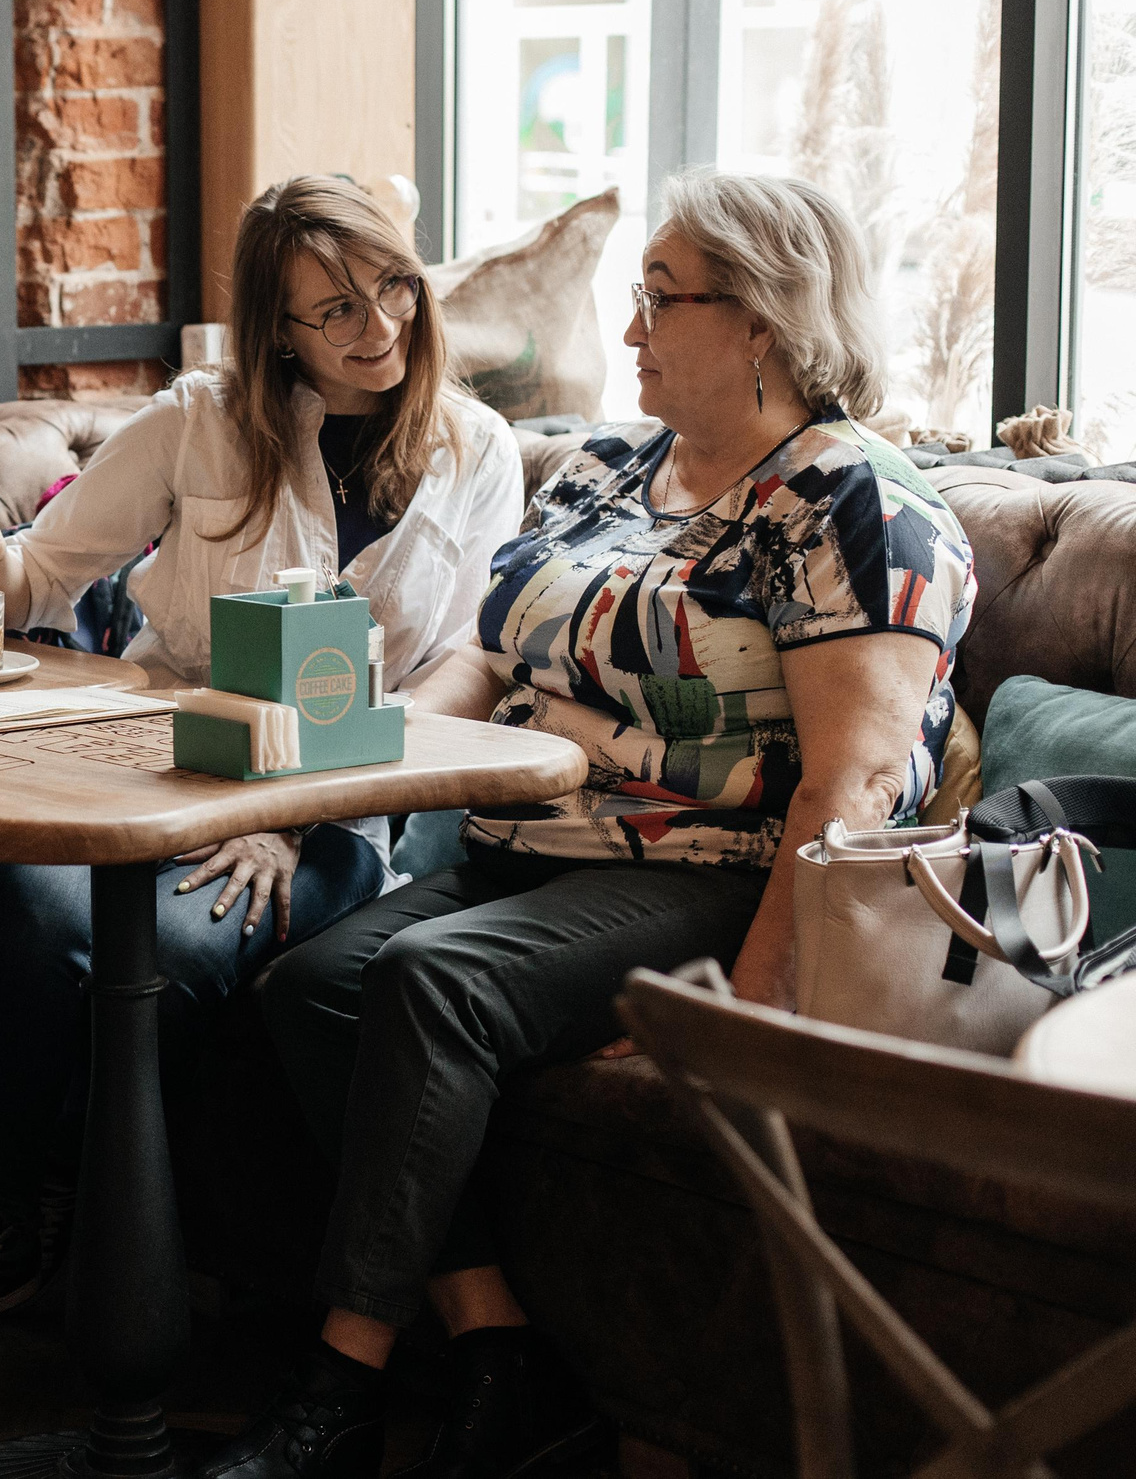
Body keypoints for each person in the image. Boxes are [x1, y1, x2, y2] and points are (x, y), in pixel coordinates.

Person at [224, 170, 977, 1479]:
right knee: (308, 983)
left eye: (660, 298)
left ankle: (341, 1378)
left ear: (764, 319)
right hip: (530, 841)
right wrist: (342, 778)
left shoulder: (849, 502)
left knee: (429, 981)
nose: (628, 329)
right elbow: (483, 656)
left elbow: (849, 789)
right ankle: (498, 1340)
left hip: (713, 865)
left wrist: (745, 1011)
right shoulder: (607, 465)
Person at [0, 177, 526, 1370]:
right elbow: (40, 576)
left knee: (163, 954)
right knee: (37, 892)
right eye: (331, 311)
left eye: (389, 287)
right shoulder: (198, 424)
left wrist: (292, 802)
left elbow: (471, 665)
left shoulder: (478, 449)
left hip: (361, 803)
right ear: (275, 328)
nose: (375, 327)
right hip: (173, 770)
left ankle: (98, 1258)